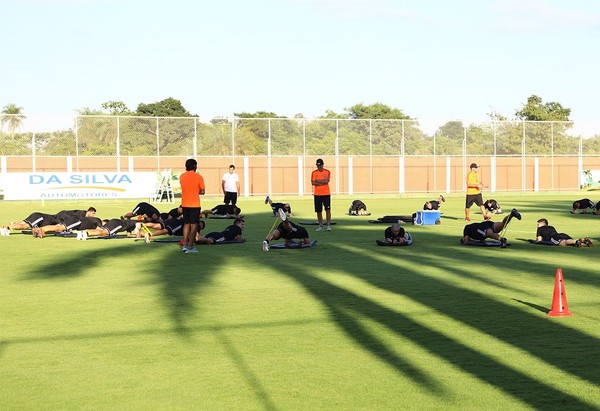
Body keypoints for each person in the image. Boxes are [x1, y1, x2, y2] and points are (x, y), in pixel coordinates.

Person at [179, 158, 206, 254]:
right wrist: (196, 191)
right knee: (194, 225)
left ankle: (185, 244)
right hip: (194, 204)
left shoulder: (182, 176)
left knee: (186, 224)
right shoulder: (199, 177)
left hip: (185, 204)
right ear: (195, 166)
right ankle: (190, 246)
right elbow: (202, 191)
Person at [311, 158, 332, 231]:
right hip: (317, 194)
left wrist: (318, 181)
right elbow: (313, 183)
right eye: (317, 166)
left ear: (322, 165)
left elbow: (326, 181)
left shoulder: (327, 172)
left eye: (320, 165)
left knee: (328, 209)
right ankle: (321, 225)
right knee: (318, 211)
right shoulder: (314, 173)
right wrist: (321, 182)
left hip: (326, 194)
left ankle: (328, 225)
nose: (319, 167)